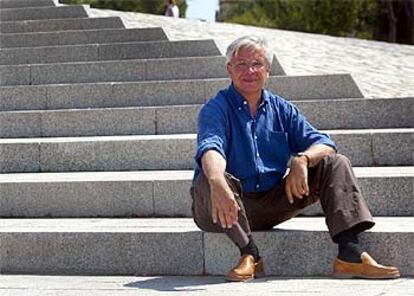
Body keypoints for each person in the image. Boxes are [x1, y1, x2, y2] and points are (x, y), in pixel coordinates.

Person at [190, 35, 400, 281]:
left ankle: (350, 254)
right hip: (220, 206)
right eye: (241, 64)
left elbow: (325, 144)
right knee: (209, 176)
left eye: (257, 64)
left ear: (268, 69)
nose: (250, 70)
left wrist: (302, 159)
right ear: (229, 69)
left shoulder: (282, 109)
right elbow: (211, 148)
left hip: (271, 201)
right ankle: (250, 254)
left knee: (335, 163)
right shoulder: (215, 108)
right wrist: (217, 182)